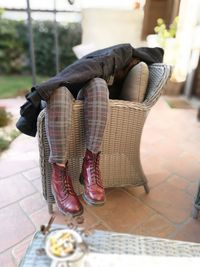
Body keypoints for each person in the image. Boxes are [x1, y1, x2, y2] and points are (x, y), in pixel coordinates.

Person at [16, 43, 164, 216]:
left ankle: (90, 163)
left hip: (88, 94)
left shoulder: (120, 69)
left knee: (99, 83)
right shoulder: (116, 54)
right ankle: (59, 172)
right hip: (62, 92)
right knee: (58, 92)